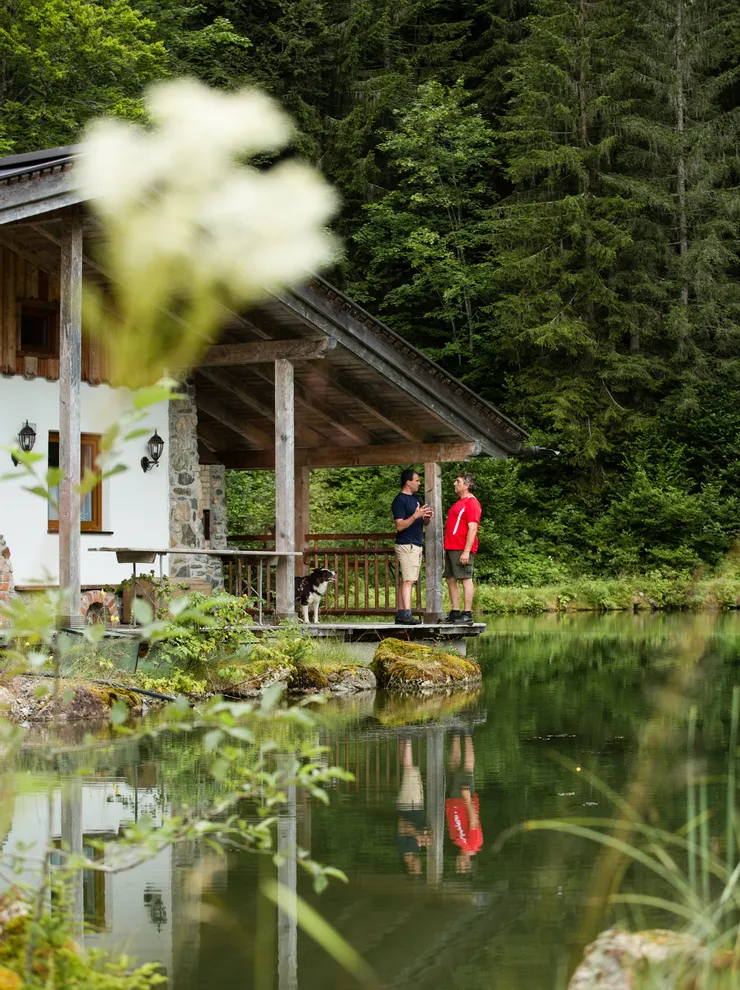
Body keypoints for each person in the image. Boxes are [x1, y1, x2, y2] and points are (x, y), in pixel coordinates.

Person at [392, 468, 433, 625]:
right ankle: (407, 615)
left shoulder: (416, 499)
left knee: (409, 580)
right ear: (408, 482)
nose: (419, 483)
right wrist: (415, 515)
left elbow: (422, 522)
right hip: (406, 544)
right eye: (416, 480)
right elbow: (400, 526)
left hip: (415, 543)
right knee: (408, 580)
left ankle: (402, 614)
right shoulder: (399, 500)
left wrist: (426, 518)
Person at [443, 471, 481, 624]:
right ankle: (455, 611)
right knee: (450, 579)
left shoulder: (472, 503)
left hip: (462, 547)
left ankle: (467, 613)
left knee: (465, 578)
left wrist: (466, 551)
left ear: (467, 485)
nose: (454, 484)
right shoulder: (459, 502)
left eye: (457, 481)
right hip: (451, 547)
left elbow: (473, 528)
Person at [445, 732, 482, 874]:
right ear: (467, 863)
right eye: (460, 865)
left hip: (452, 802)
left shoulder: (460, 844)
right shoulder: (474, 844)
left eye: (457, 865)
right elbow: (474, 822)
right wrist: (467, 799)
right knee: (467, 769)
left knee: (452, 769)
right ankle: (467, 734)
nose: (457, 862)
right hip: (463, 800)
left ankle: (455, 735)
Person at [396, 737, 430, 875]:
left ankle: (407, 737)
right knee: (408, 771)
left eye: (418, 867)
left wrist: (417, 834)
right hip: (416, 806)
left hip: (409, 805)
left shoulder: (403, 848)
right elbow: (422, 829)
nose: (420, 864)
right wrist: (427, 835)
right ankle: (402, 737)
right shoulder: (415, 849)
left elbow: (401, 824)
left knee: (410, 771)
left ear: (410, 866)